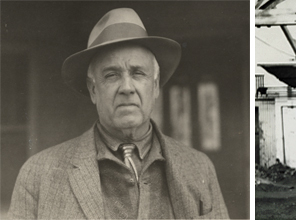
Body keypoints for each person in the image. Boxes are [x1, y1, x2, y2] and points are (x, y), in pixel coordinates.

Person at [8, 8, 228, 219]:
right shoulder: (39, 174)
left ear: (155, 85)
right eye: (112, 75)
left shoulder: (199, 168)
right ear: (94, 89)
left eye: (138, 73)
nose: (127, 87)